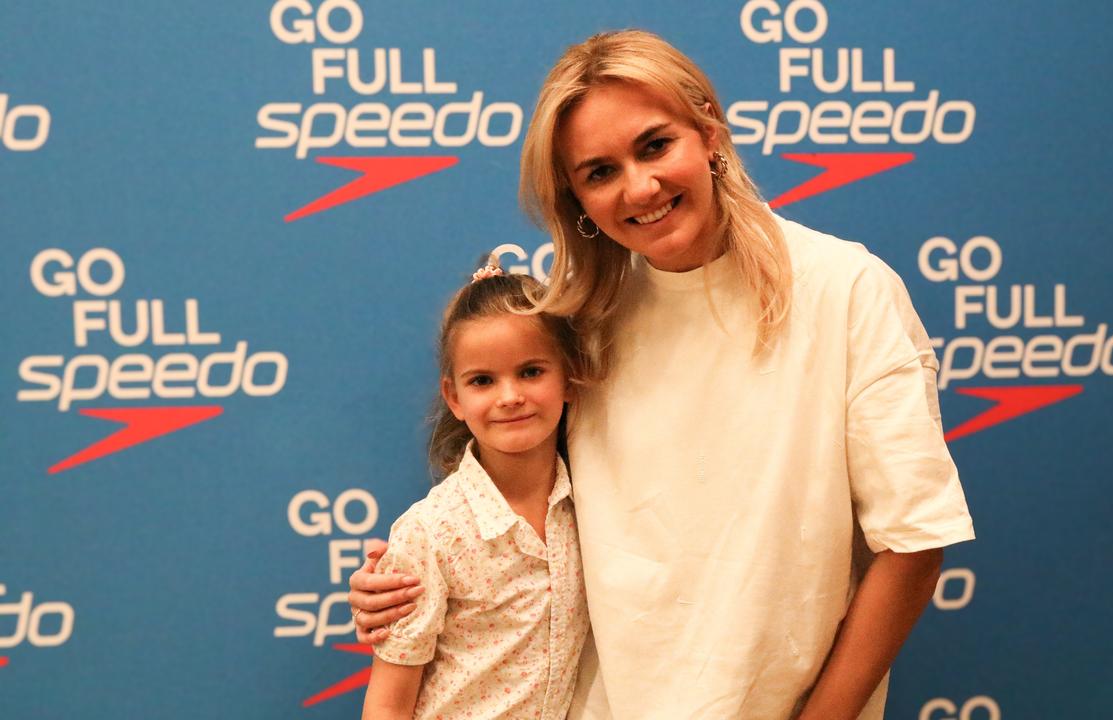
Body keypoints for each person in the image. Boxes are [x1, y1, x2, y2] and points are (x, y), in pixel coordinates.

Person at [351, 30, 974, 719]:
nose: (639, 187)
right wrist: (407, 585)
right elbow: (518, 510)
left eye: (654, 146)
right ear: (576, 202)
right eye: (599, 172)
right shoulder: (582, 320)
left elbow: (914, 545)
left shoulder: (847, 289)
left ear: (708, 129)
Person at [360, 269, 590, 720]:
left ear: (568, 377)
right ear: (454, 397)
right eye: (483, 380)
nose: (510, 396)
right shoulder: (431, 532)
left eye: (530, 372)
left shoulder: (592, 503)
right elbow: (387, 704)